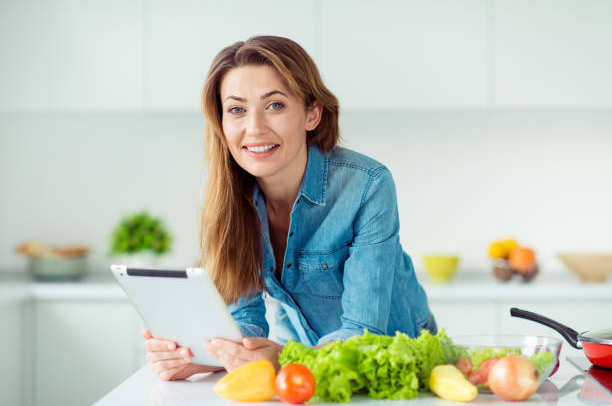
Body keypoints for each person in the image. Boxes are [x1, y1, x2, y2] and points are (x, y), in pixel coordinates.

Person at [141, 35, 437, 381]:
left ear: (312, 113)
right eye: (237, 110)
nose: (254, 128)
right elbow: (244, 319)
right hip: (299, 364)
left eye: (275, 106)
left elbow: (364, 331)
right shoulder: (224, 193)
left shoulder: (367, 185)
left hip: (395, 362)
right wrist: (200, 356)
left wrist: (286, 358)